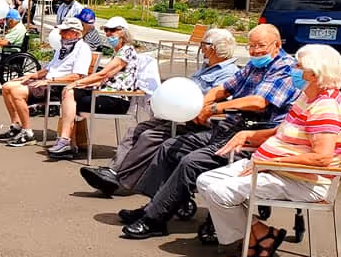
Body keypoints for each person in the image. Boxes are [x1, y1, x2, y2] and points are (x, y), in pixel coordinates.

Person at [119, 24, 300, 240]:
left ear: (277, 45)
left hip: (255, 137)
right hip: (230, 128)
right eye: (251, 46)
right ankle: (155, 206)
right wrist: (201, 106)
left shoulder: (285, 69)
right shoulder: (254, 66)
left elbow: (258, 102)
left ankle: (154, 220)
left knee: (191, 162)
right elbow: (223, 88)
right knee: (169, 147)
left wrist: (215, 108)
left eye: (260, 46)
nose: (255, 51)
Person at [196, 44, 341, 257]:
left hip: (303, 180)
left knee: (221, 192)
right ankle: (261, 235)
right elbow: (282, 131)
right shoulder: (308, 96)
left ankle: (253, 243)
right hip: (277, 169)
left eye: (298, 66)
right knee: (205, 181)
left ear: (313, 73)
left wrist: (270, 162)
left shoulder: (325, 107)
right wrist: (249, 134)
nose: (293, 69)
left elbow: (322, 158)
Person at [79, 28, 240, 195]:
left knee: (150, 136)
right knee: (137, 129)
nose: (201, 48)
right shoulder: (206, 67)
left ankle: (123, 181)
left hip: (197, 121)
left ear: (213, 48)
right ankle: (113, 172)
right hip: (176, 114)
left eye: (204, 44)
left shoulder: (228, 73)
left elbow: (212, 101)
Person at [46, 16, 139, 159]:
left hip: (117, 99)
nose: (108, 34)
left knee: (71, 95)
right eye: (106, 31)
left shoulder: (127, 51)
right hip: (104, 94)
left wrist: (77, 83)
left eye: (112, 31)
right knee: (69, 92)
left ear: (122, 32)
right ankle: (66, 141)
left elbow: (103, 74)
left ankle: (66, 141)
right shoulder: (118, 51)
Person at [0, 18, 92, 147]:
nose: (60, 34)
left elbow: (78, 76)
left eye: (64, 31)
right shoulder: (63, 47)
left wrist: (50, 80)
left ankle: (27, 132)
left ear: (75, 33)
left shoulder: (82, 49)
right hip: (48, 81)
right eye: (61, 31)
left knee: (17, 91)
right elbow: (48, 69)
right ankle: (16, 126)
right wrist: (32, 75)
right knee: (7, 86)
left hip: (58, 86)